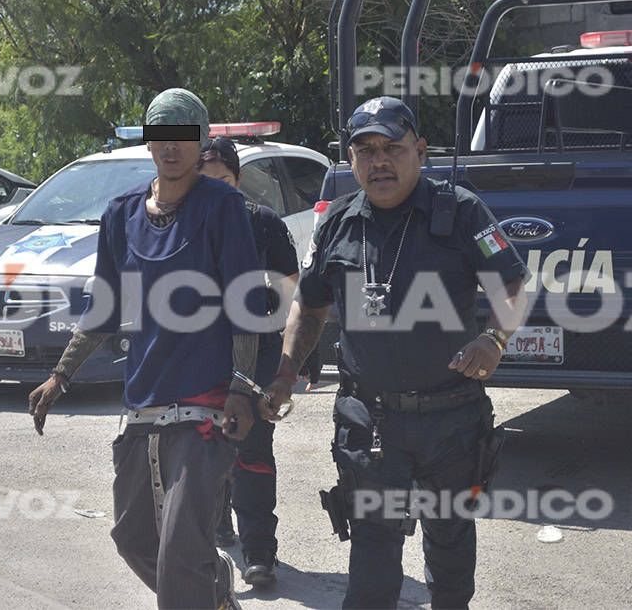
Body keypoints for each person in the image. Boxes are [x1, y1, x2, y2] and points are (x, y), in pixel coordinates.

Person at [259, 97, 529, 609]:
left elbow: (511, 284)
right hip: (369, 421)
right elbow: (309, 308)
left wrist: (493, 339)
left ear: (420, 152)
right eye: (365, 150)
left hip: (450, 420)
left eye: (392, 148)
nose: (379, 160)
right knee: (372, 556)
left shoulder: (462, 211)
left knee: (450, 549)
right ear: (350, 158)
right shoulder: (336, 221)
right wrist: (285, 372)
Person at [27, 88, 266, 610]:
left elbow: (246, 303)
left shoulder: (223, 206)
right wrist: (61, 376)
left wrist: (243, 388)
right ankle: (215, 592)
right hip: (143, 401)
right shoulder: (121, 213)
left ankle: (201, 591)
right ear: (148, 142)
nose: (171, 147)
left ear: (201, 141)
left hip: (204, 403)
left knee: (182, 549)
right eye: (161, 135)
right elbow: (105, 308)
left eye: (183, 136)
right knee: (134, 538)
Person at [199, 137, 298, 587]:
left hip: (257, 355)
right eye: (205, 181)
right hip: (202, 355)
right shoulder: (187, 226)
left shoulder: (264, 225)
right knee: (204, 443)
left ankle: (260, 549)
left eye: (222, 180)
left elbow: (291, 291)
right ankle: (218, 522)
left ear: (237, 179)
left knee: (253, 449)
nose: (214, 189)